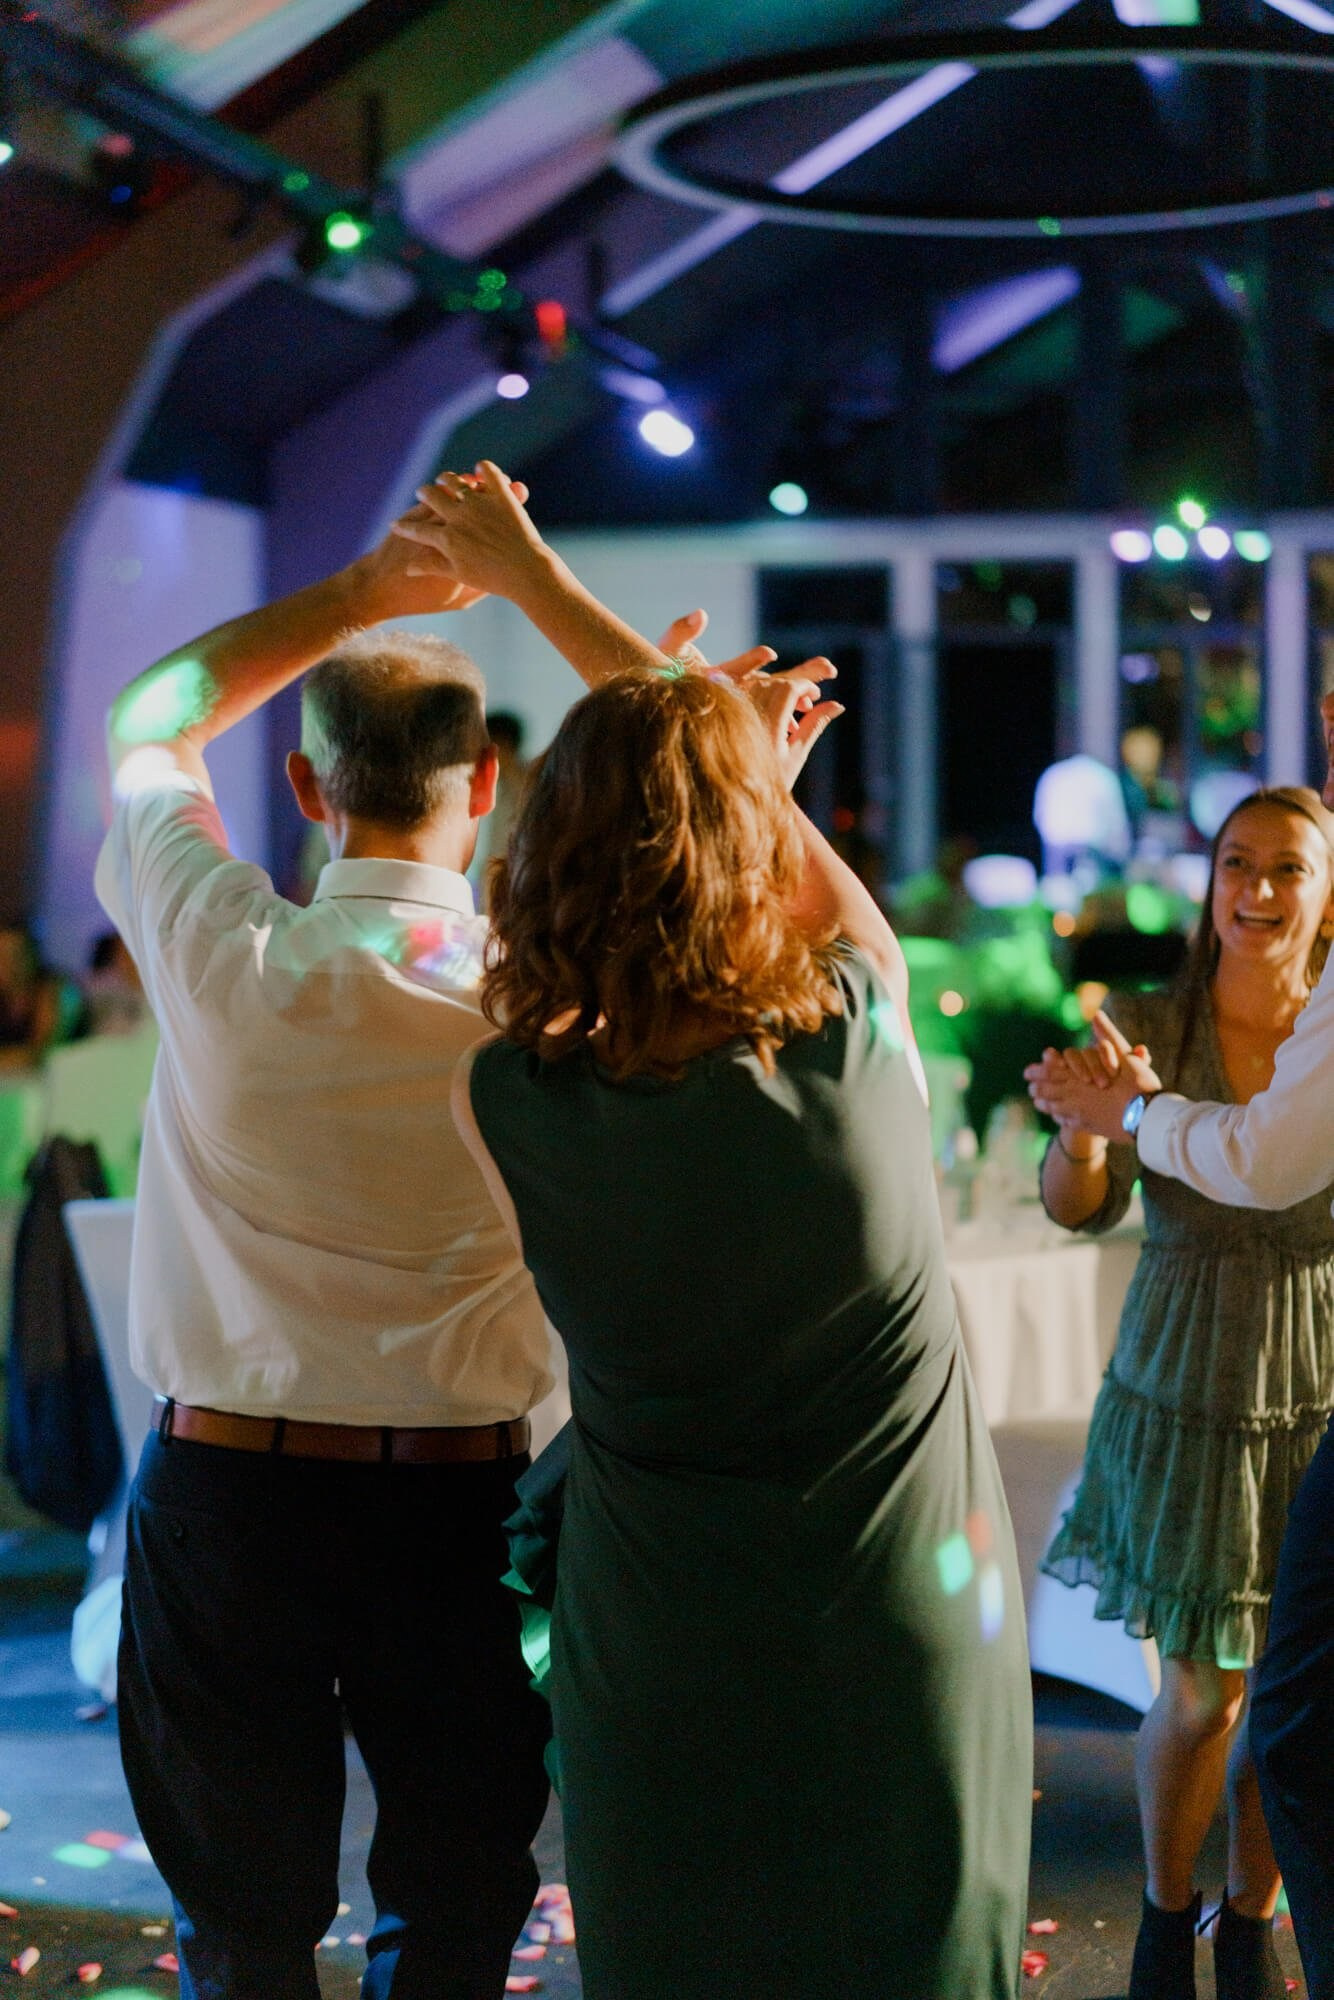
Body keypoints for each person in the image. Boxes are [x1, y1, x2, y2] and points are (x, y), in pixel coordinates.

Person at [395, 467, 1034, 1999]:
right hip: (888, 1619)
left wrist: (689, 739)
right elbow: (751, 861)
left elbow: (669, 844)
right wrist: (556, 594)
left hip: (657, 1644)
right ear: (752, 842)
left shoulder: (507, 1096)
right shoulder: (854, 1041)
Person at [96, 500, 562, 2000]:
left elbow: (152, 716)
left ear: (303, 784)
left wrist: (361, 590)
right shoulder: (545, 1001)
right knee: (456, 1905)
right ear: (484, 786)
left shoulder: (218, 945)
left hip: (230, 1493)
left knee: (240, 1926)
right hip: (461, 1502)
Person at [1027, 751, 1334, 2000]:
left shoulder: (1324, 1027)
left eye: (1285, 869)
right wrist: (1080, 1133)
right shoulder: (1145, 1024)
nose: (1254, 889)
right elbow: (1069, 1209)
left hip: (1313, 1367)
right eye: (1234, 864)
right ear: (1206, 881)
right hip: (1186, 1366)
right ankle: (1166, 1915)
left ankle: (1247, 1924)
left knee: (1289, 1694)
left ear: (1326, 893)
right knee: (1203, 1692)